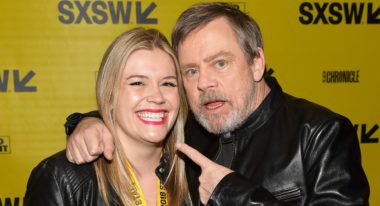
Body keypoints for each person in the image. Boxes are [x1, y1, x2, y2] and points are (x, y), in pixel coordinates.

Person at [64, 2, 370, 206]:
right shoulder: (190, 130)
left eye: (220, 63)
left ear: (256, 63)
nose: (204, 83)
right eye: (191, 71)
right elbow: (138, 117)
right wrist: (89, 123)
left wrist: (235, 195)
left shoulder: (319, 134)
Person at [24, 28, 191, 206]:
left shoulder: (195, 172)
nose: (157, 97)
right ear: (109, 96)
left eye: (168, 83)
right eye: (137, 83)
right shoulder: (61, 178)